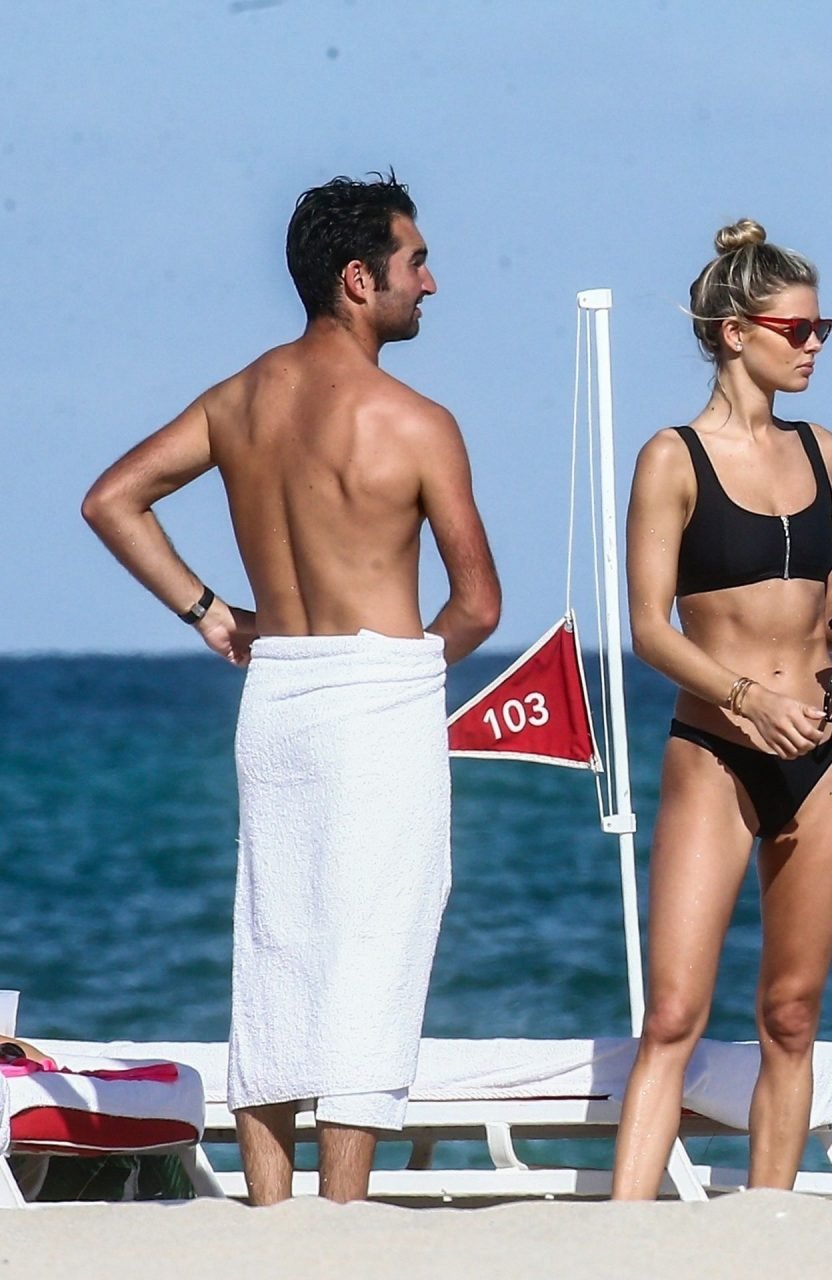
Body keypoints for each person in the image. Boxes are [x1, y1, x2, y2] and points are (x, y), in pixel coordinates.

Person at [82, 173, 501, 1205]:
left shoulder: (240, 398)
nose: (430, 283)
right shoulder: (416, 421)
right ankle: (338, 1216)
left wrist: (211, 613)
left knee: (276, 944)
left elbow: (113, 499)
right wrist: (404, 669)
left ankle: (270, 1209)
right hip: (377, 690)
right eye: (414, 263)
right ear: (358, 279)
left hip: (277, 694)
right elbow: (479, 604)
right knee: (373, 950)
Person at [611, 219, 832, 1197]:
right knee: (673, 1016)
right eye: (797, 329)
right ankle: (622, 1236)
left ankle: (767, 1227)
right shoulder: (671, 457)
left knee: (792, 1014)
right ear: (734, 332)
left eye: (821, 330)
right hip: (717, 746)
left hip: (825, 751)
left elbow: (821, 616)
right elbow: (647, 628)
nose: (813, 346)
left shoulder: (825, 452)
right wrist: (744, 700)